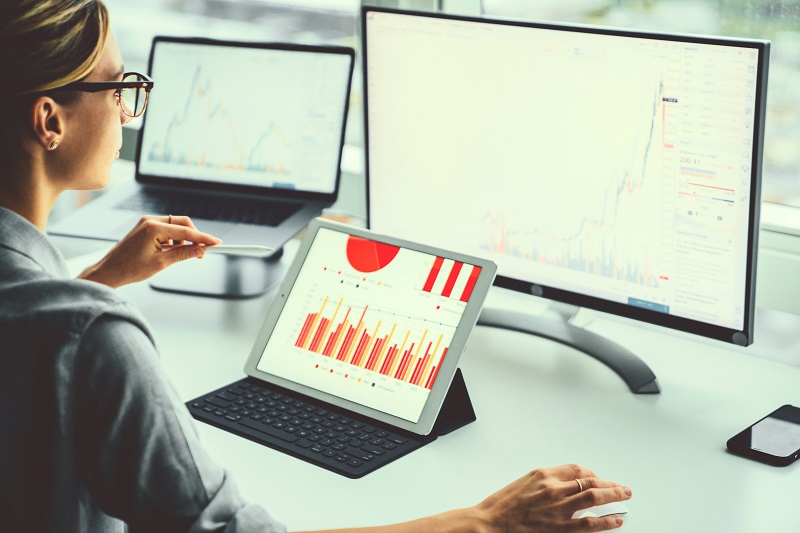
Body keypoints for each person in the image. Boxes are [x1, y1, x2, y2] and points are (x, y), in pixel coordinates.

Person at [0, 1, 632, 532]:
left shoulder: (56, 310)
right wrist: (487, 521)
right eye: (119, 88)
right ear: (49, 122)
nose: (126, 107)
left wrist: (96, 280)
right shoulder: (95, 337)